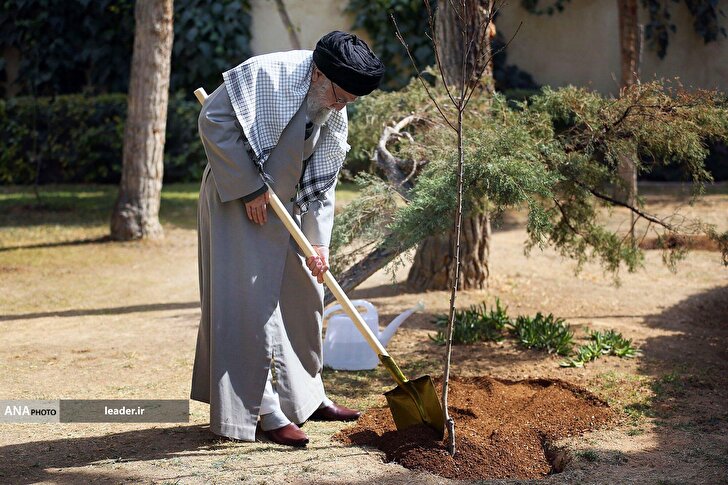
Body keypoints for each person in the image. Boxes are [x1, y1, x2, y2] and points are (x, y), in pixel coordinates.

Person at [190, 31, 385, 447]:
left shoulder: (333, 103)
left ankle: (307, 398)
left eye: (349, 101)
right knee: (249, 305)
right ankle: (265, 412)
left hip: (289, 208)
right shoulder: (266, 74)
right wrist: (249, 188)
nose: (339, 106)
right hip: (239, 201)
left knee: (303, 297)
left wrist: (319, 243)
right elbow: (213, 121)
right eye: (338, 96)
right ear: (317, 73)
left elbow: (324, 181)